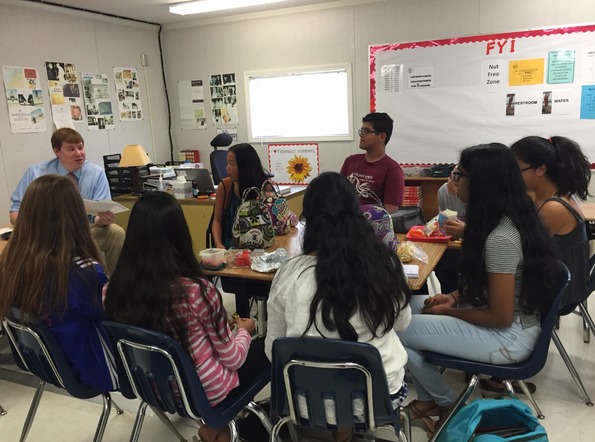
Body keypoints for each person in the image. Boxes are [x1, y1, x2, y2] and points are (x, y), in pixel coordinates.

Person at [397, 144, 558, 437]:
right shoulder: (501, 220)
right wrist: (455, 296)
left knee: (392, 327)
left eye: (461, 175)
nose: (455, 181)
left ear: (482, 182)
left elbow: (500, 316)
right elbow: (485, 283)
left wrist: (450, 311)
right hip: (505, 324)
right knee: (399, 312)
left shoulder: (500, 237)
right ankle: (432, 400)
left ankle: (444, 403)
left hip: (508, 338)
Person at [104, 191, 269, 442]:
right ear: (179, 235)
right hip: (203, 393)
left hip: (151, 387)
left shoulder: (112, 290)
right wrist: (245, 330)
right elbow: (233, 359)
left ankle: (217, 429)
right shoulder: (197, 293)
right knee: (267, 348)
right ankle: (233, 424)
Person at [265, 172, 411, 442]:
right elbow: (401, 323)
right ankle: (345, 428)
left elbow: (273, 348)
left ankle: (340, 429)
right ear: (357, 212)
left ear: (308, 217)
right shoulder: (385, 263)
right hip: (375, 399)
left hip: (303, 401)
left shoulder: (288, 273)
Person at [0, 175, 117, 392]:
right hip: (93, 369)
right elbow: (115, 317)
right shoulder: (84, 272)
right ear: (73, 216)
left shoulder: (14, 260)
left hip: (45, 365)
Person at [9, 128, 125, 275]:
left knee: (115, 232)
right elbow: (15, 214)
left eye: (81, 147)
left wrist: (102, 219)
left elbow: (99, 213)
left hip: (85, 231)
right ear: (57, 151)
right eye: (71, 149)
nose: (79, 153)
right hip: (46, 236)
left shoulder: (96, 173)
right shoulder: (36, 173)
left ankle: (118, 286)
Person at [340, 112, 404, 214]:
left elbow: (390, 214)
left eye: (366, 131)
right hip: (344, 224)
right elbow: (336, 196)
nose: (361, 134)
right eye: (361, 130)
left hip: (371, 227)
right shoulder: (350, 161)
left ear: (382, 137)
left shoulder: (393, 170)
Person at [211, 143, 270, 250]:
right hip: (229, 248)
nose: (227, 168)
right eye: (227, 163)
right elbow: (217, 220)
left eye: (232, 164)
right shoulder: (225, 186)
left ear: (245, 166)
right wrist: (218, 243)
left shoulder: (264, 188)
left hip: (260, 248)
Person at [434, 164, 467, 293]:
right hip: (451, 241)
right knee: (442, 265)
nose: (452, 186)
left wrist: (465, 231)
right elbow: (442, 219)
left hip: (471, 243)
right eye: (453, 180)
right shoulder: (443, 191)